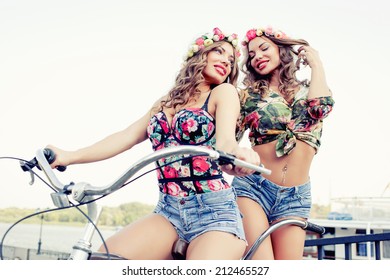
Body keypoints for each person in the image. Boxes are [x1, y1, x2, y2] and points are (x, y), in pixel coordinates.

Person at [46, 27, 261, 260]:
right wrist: (69, 156)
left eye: (231, 60)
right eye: (219, 52)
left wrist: (238, 156)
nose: (226, 62)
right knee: (104, 260)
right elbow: (126, 137)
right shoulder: (166, 101)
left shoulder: (223, 92)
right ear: (200, 53)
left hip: (214, 212)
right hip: (168, 211)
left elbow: (226, 142)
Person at [233, 26, 335, 259]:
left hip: (295, 196)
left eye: (264, 48)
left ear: (281, 49)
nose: (257, 56)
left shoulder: (311, 90)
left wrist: (316, 62)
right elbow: (228, 140)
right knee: (262, 266)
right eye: (252, 54)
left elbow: (320, 107)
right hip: (254, 189)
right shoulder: (248, 96)